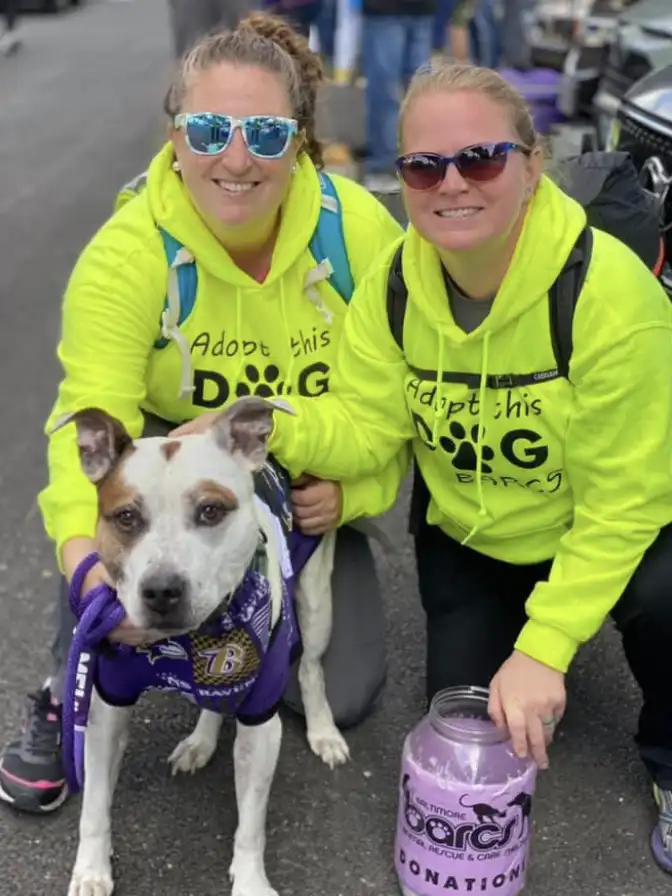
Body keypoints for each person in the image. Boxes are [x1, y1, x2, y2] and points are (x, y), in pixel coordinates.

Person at [184, 60, 672, 871]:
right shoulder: (396, 285)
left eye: (480, 159)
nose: (451, 184)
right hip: (473, 534)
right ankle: (533, 634)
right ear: (403, 178)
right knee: (463, 713)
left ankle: (668, 758)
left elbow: (625, 502)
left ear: (532, 164)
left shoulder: (613, 299)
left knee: (662, 595)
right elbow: (366, 427)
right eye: (422, 166)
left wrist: (546, 647)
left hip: (592, 522)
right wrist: (264, 423)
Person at [0, 12, 407, 816]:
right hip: (162, 469)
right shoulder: (127, 253)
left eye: (265, 132)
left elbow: (394, 413)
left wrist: (353, 496)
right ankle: (63, 681)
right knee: (118, 532)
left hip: (309, 471)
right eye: (211, 130)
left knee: (340, 692)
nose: (236, 158)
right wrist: (86, 572)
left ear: (299, 140)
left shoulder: (360, 233)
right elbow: (84, 430)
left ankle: (253, 622)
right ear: (176, 137)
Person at [361, 0, 434, 194]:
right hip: (385, 10)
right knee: (387, 92)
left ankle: (423, 160)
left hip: (422, 10)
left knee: (422, 92)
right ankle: (382, 166)